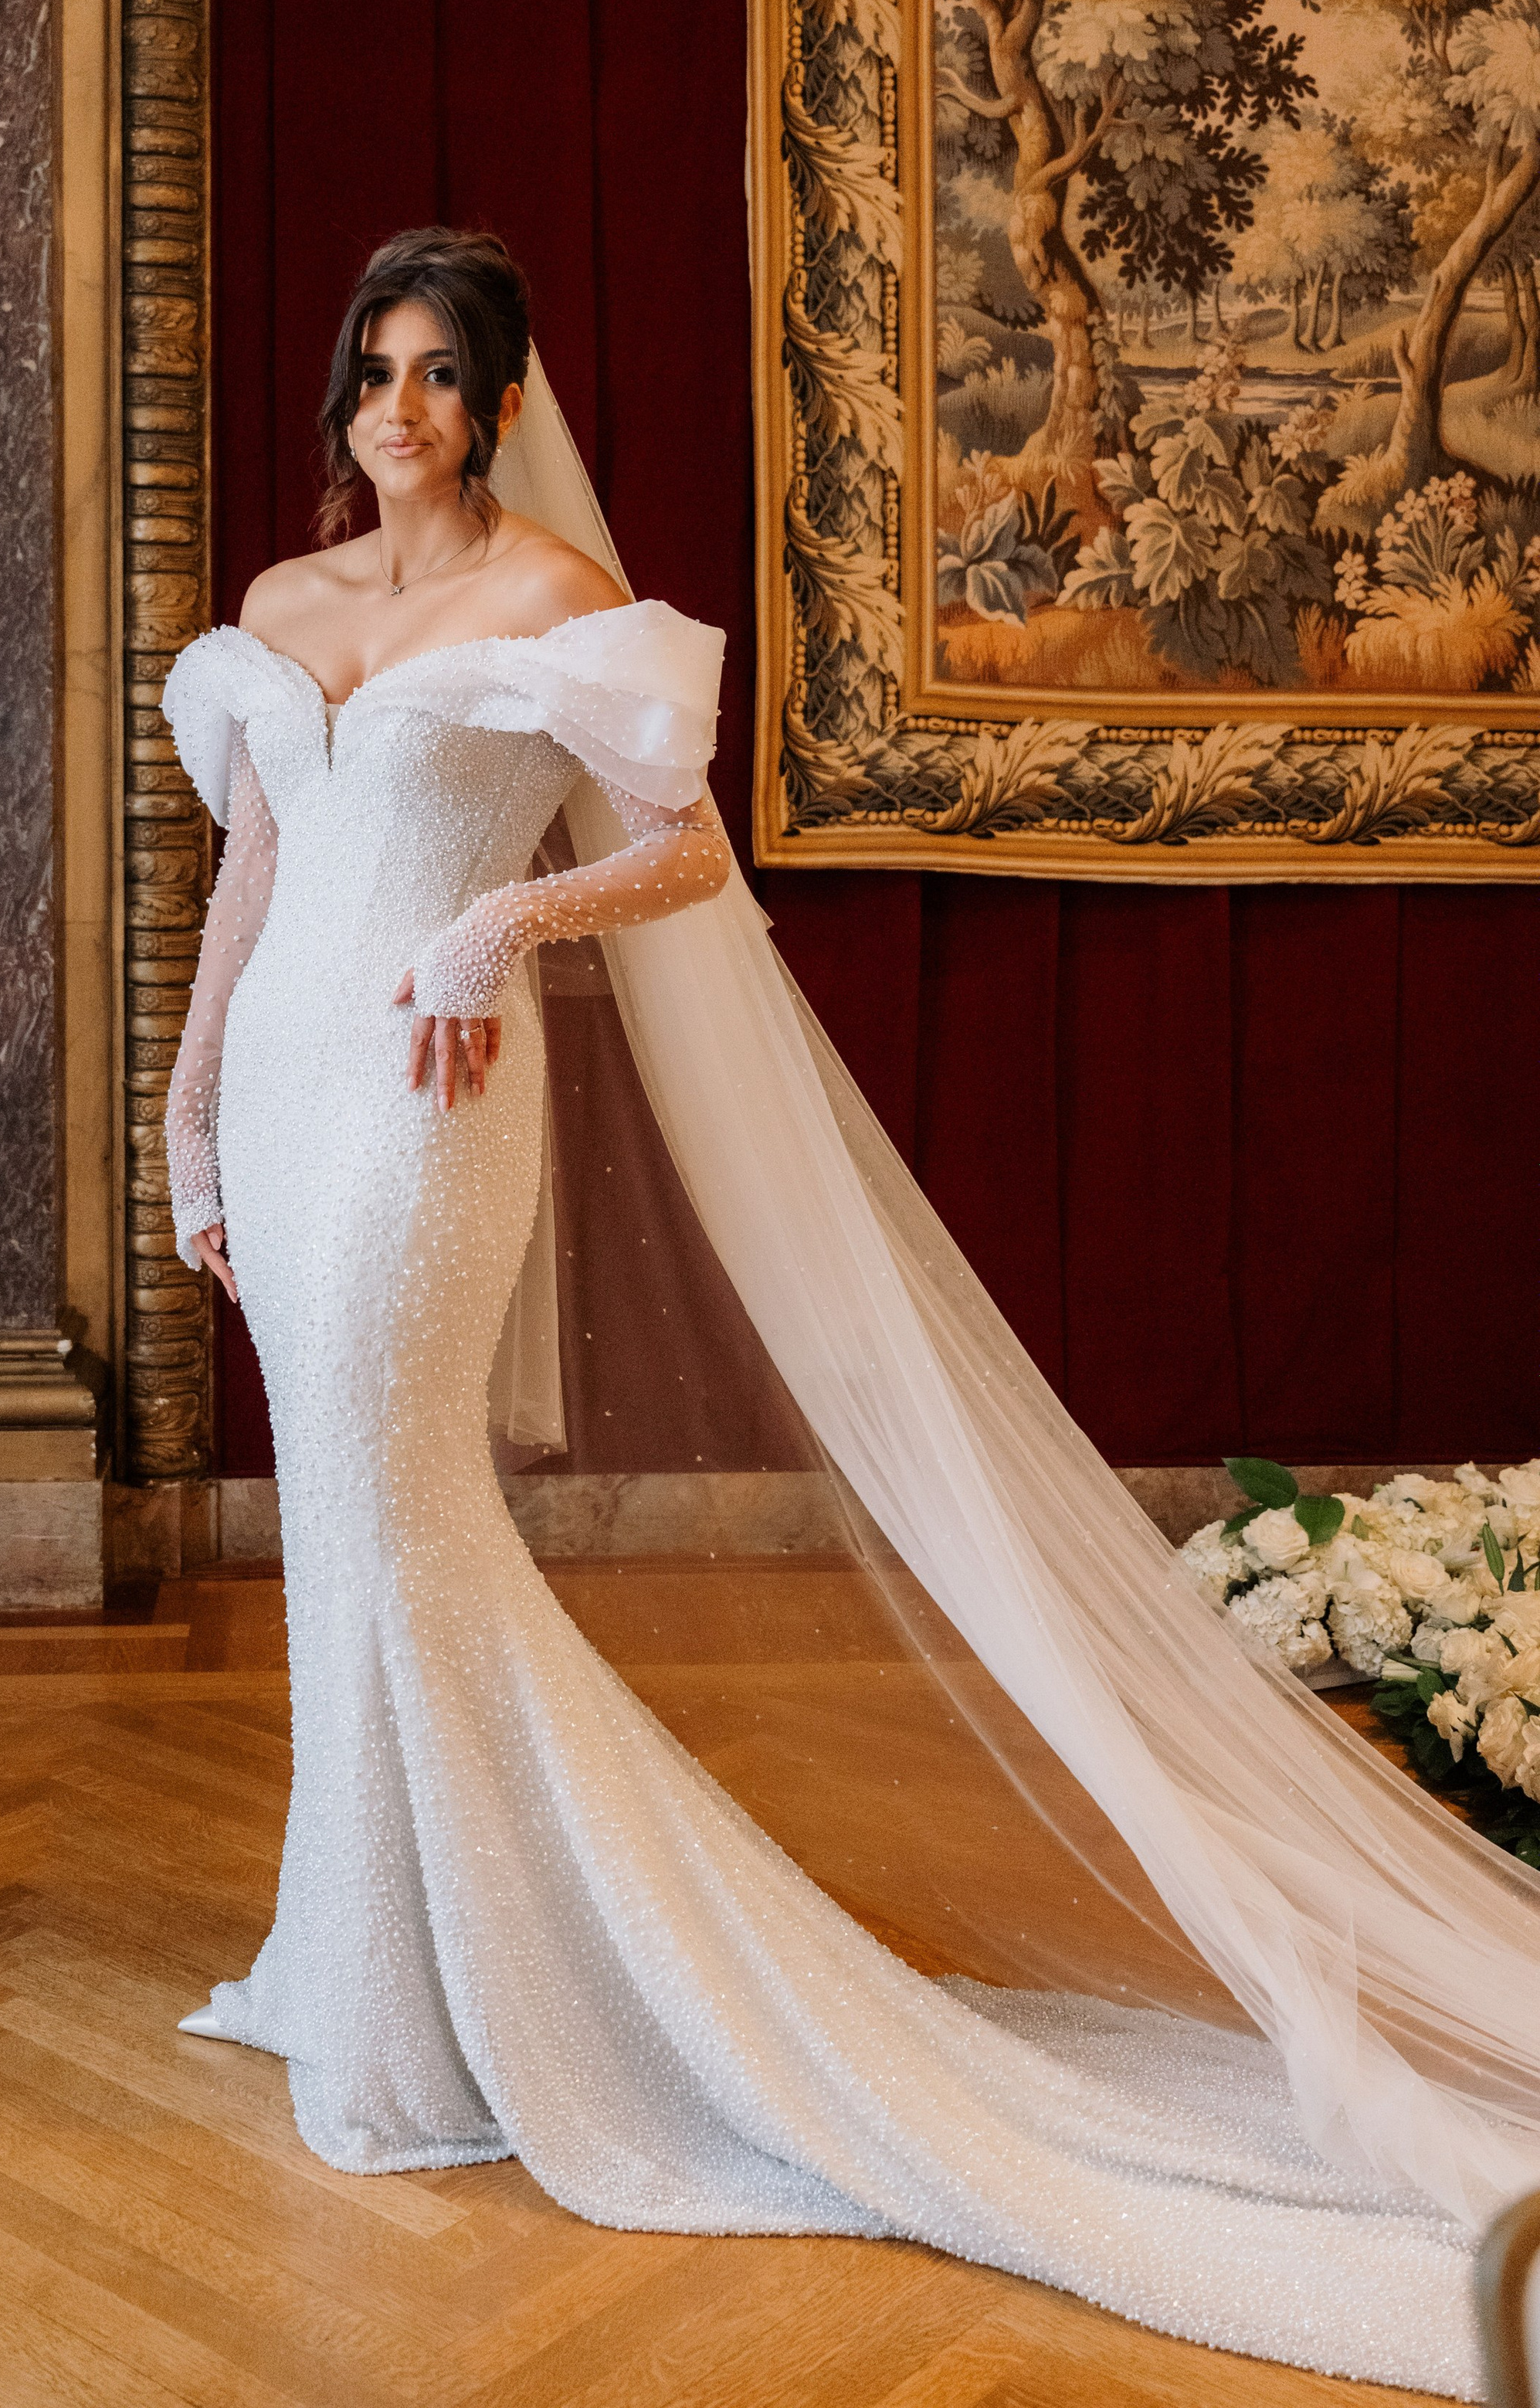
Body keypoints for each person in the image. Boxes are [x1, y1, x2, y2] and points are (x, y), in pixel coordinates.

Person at [161, 228, 1539, 2400]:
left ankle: (515, 1994)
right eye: (375, 373)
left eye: (441, 377)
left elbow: (684, 856)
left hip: (437, 1108)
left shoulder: (550, 606)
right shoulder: (280, 613)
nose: (400, 410)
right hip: (287, 1094)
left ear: (504, 404)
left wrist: (501, 922)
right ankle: (376, 1966)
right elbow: (250, 870)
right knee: (345, 1531)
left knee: (402, 1504)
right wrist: (187, 1117)